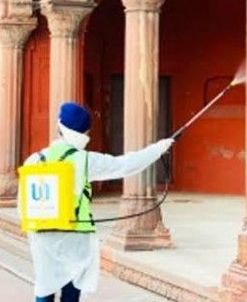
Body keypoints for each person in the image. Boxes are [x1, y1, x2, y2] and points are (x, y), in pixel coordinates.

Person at [20, 101, 174, 302]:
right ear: (85, 133)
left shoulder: (34, 160)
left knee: (44, 288)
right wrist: (159, 148)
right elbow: (125, 165)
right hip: (75, 237)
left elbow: (23, 204)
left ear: (59, 127)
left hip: (42, 235)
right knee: (71, 292)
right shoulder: (85, 160)